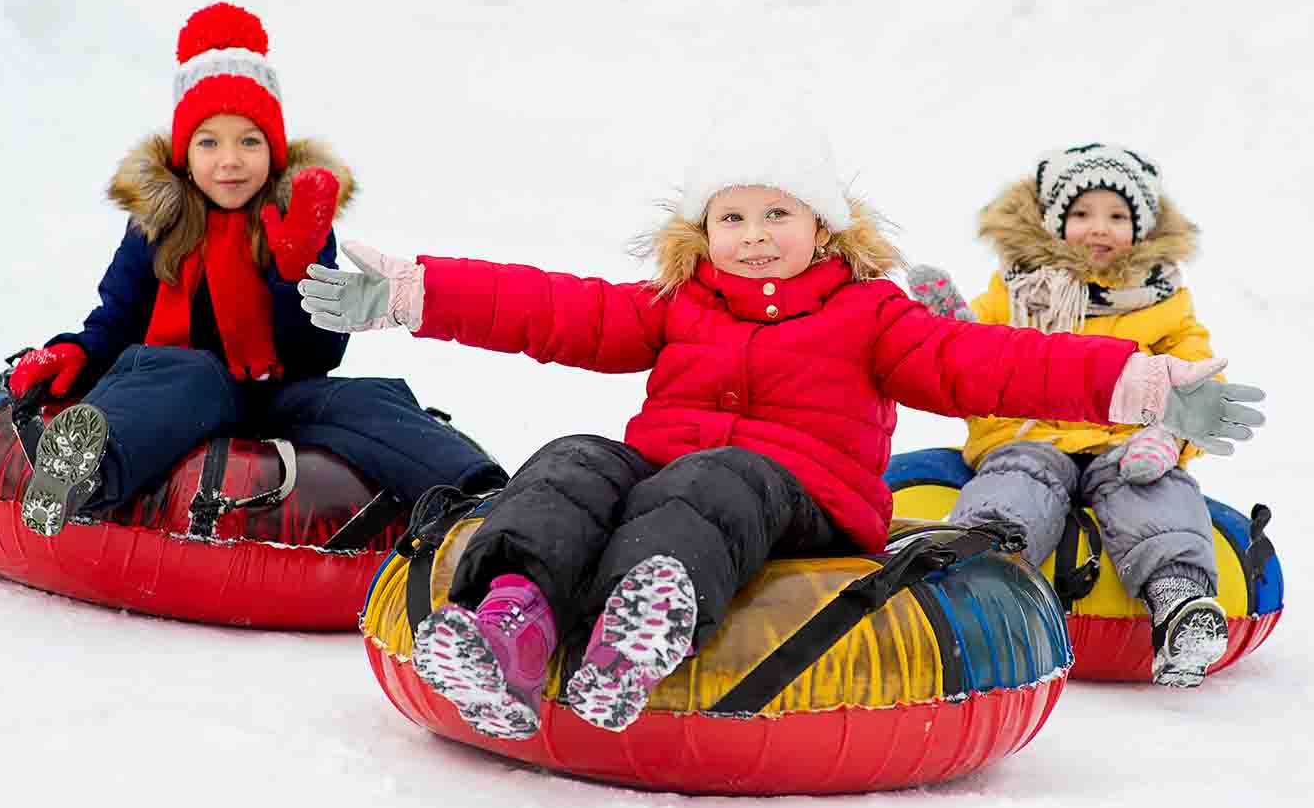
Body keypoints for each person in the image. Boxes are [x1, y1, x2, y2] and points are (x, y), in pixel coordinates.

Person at [300, 110, 1264, 737]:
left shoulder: (872, 313)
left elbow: (994, 361)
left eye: (778, 213)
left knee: (712, 480)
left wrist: (1144, 386)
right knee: (577, 458)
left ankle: (642, 630)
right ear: (702, 231)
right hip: (667, 472)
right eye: (732, 217)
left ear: (826, 227)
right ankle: (511, 621)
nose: (755, 235)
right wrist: (408, 295)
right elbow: (552, 309)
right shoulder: (679, 302)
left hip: (803, 496)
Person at [7, 2, 506, 538]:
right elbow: (117, 319)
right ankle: (84, 472)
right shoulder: (156, 227)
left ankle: (478, 498)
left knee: (362, 399)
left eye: (249, 141)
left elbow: (320, 354)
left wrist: (298, 268)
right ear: (183, 152)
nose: (229, 160)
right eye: (209, 142)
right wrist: (76, 351)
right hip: (181, 390)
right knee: (188, 373)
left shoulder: (298, 223)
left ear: (273, 149)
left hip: (279, 393)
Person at [911, 142, 1250, 687]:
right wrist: (953, 331)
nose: (1100, 228)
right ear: (1051, 222)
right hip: (1029, 431)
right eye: (1081, 213)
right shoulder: (1019, 289)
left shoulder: (1163, 302)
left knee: (1155, 489)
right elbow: (980, 359)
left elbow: (1196, 371)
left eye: (1118, 216)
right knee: (1016, 482)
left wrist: (1170, 437)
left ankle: (1179, 603)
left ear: (1142, 229)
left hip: (1125, 442)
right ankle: (980, 584)